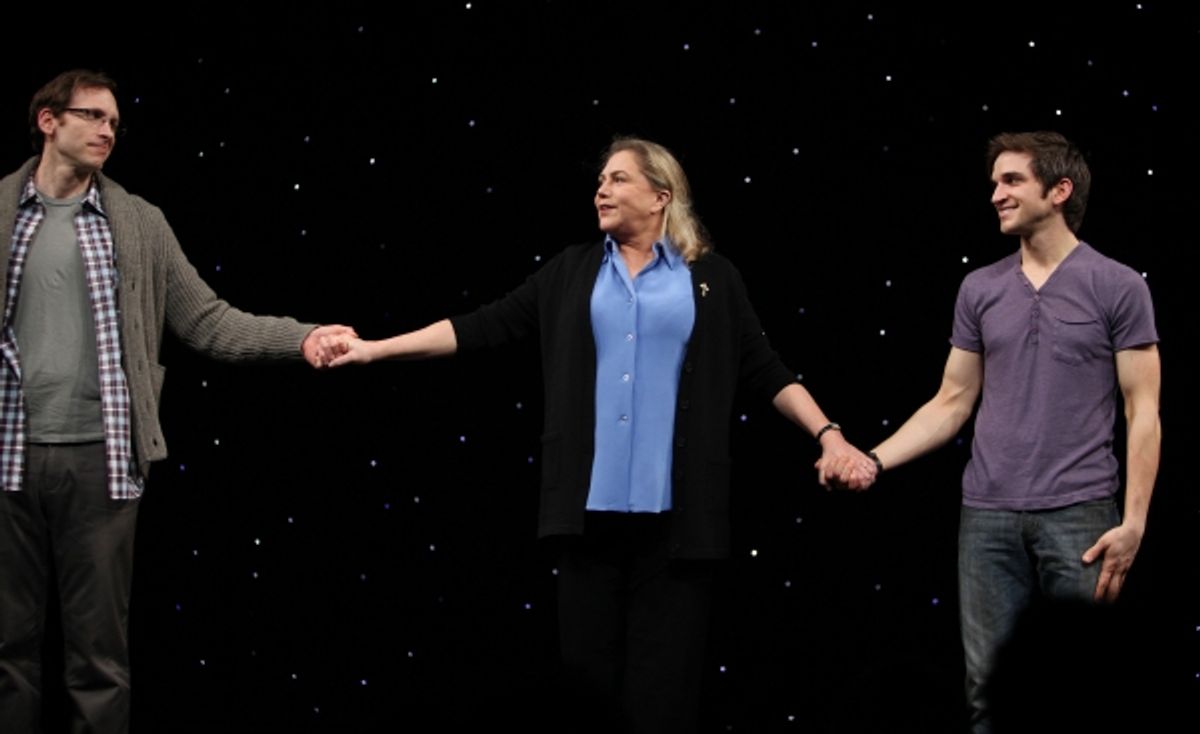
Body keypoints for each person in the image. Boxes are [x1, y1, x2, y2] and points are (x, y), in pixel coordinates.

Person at [330, 137, 878, 732]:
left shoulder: (712, 279)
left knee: (663, 697)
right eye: (601, 180)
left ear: (660, 196)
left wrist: (829, 433)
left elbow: (764, 366)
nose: (602, 189)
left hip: (677, 523)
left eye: (618, 179)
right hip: (587, 518)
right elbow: (480, 326)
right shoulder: (571, 271)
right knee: (587, 692)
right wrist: (376, 350)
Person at [0, 69, 354, 734]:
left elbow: (210, 322)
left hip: (102, 467)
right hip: (6, 462)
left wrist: (302, 338)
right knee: (7, 657)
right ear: (49, 120)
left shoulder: (137, 222)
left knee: (99, 664)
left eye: (115, 122)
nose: (108, 130)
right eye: (93, 116)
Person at [856, 131, 1161, 733]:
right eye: (995, 182)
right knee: (989, 695)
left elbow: (1143, 409)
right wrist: (874, 460)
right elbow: (952, 400)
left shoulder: (1118, 285)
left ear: (1059, 190)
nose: (995, 193)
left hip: (1080, 516)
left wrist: (1134, 523)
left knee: (1082, 693)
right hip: (988, 517)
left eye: (1012, 180)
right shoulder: (981, 289)